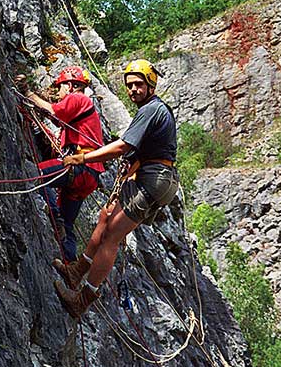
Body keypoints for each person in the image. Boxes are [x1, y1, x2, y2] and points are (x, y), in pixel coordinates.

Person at [53, 59, 180, 318]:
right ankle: (78, 270)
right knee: (106, 217)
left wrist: (83, 158)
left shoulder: (151, 110)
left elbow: (123, 146)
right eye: (129, 85)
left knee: (112, 236)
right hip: (154, 177)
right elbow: (144, 150)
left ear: (150, 85)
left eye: (138, 85)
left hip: (155, 178)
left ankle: (83, 299)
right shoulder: (153, 110)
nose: (132, 89)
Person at [16, 66, 104, 261]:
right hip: (90, 176)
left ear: (71, 85)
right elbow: (57, 118)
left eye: (62, 87)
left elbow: (54, 111)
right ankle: (70, 268)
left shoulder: (77, 98)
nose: (59, 92)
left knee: (37, 173)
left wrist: (27, 93)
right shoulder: (82, 109)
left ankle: (54, 214)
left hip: (79, 166)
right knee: (67, 224)